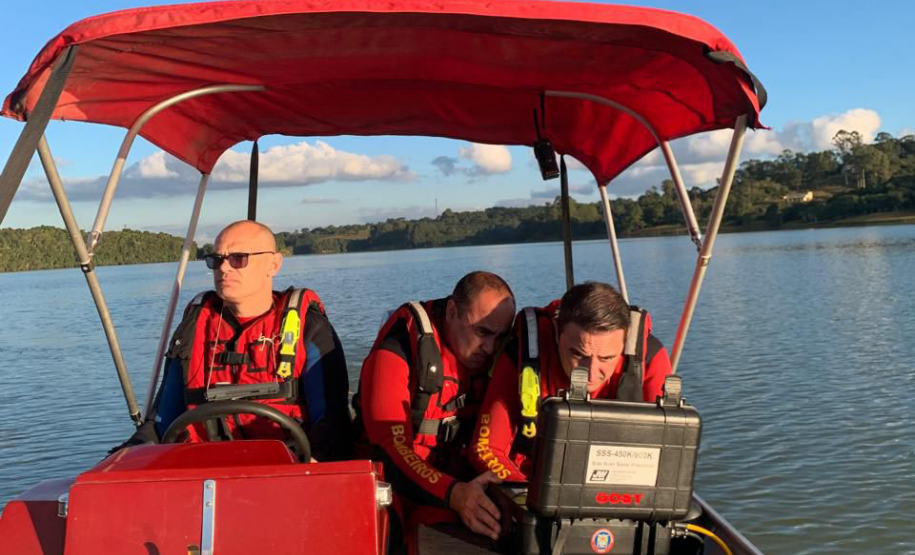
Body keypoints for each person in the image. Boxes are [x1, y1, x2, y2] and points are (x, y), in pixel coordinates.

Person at [118, 220, 353, 462]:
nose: (224, 268)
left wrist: (310, 466)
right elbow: (161, 420)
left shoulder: (309, 327)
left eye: (238, 258)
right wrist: (124, 458)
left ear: (273, 264)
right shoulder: (194, 327)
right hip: (205, 472)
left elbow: (332, 423)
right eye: (216, 260)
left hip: (290, 471)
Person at [354, 271, 515, 541]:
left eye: (501, 337)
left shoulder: (505, 354)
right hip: (396, 485)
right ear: (452, 311)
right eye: (482, 332)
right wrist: (453, 493)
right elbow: (389, 447)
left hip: (462, 481)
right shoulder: (399, 348)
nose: (490, 348)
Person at [470, 282, 671, 482]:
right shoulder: (525, 357)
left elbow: (668, 451)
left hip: (621, 484)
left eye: (607, 358)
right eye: (578, 354)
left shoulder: (649, 359)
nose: (591, 373)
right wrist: (525, 494)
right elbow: (485, 448)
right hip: (535, 482)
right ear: (557, 333)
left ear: (625, 341)